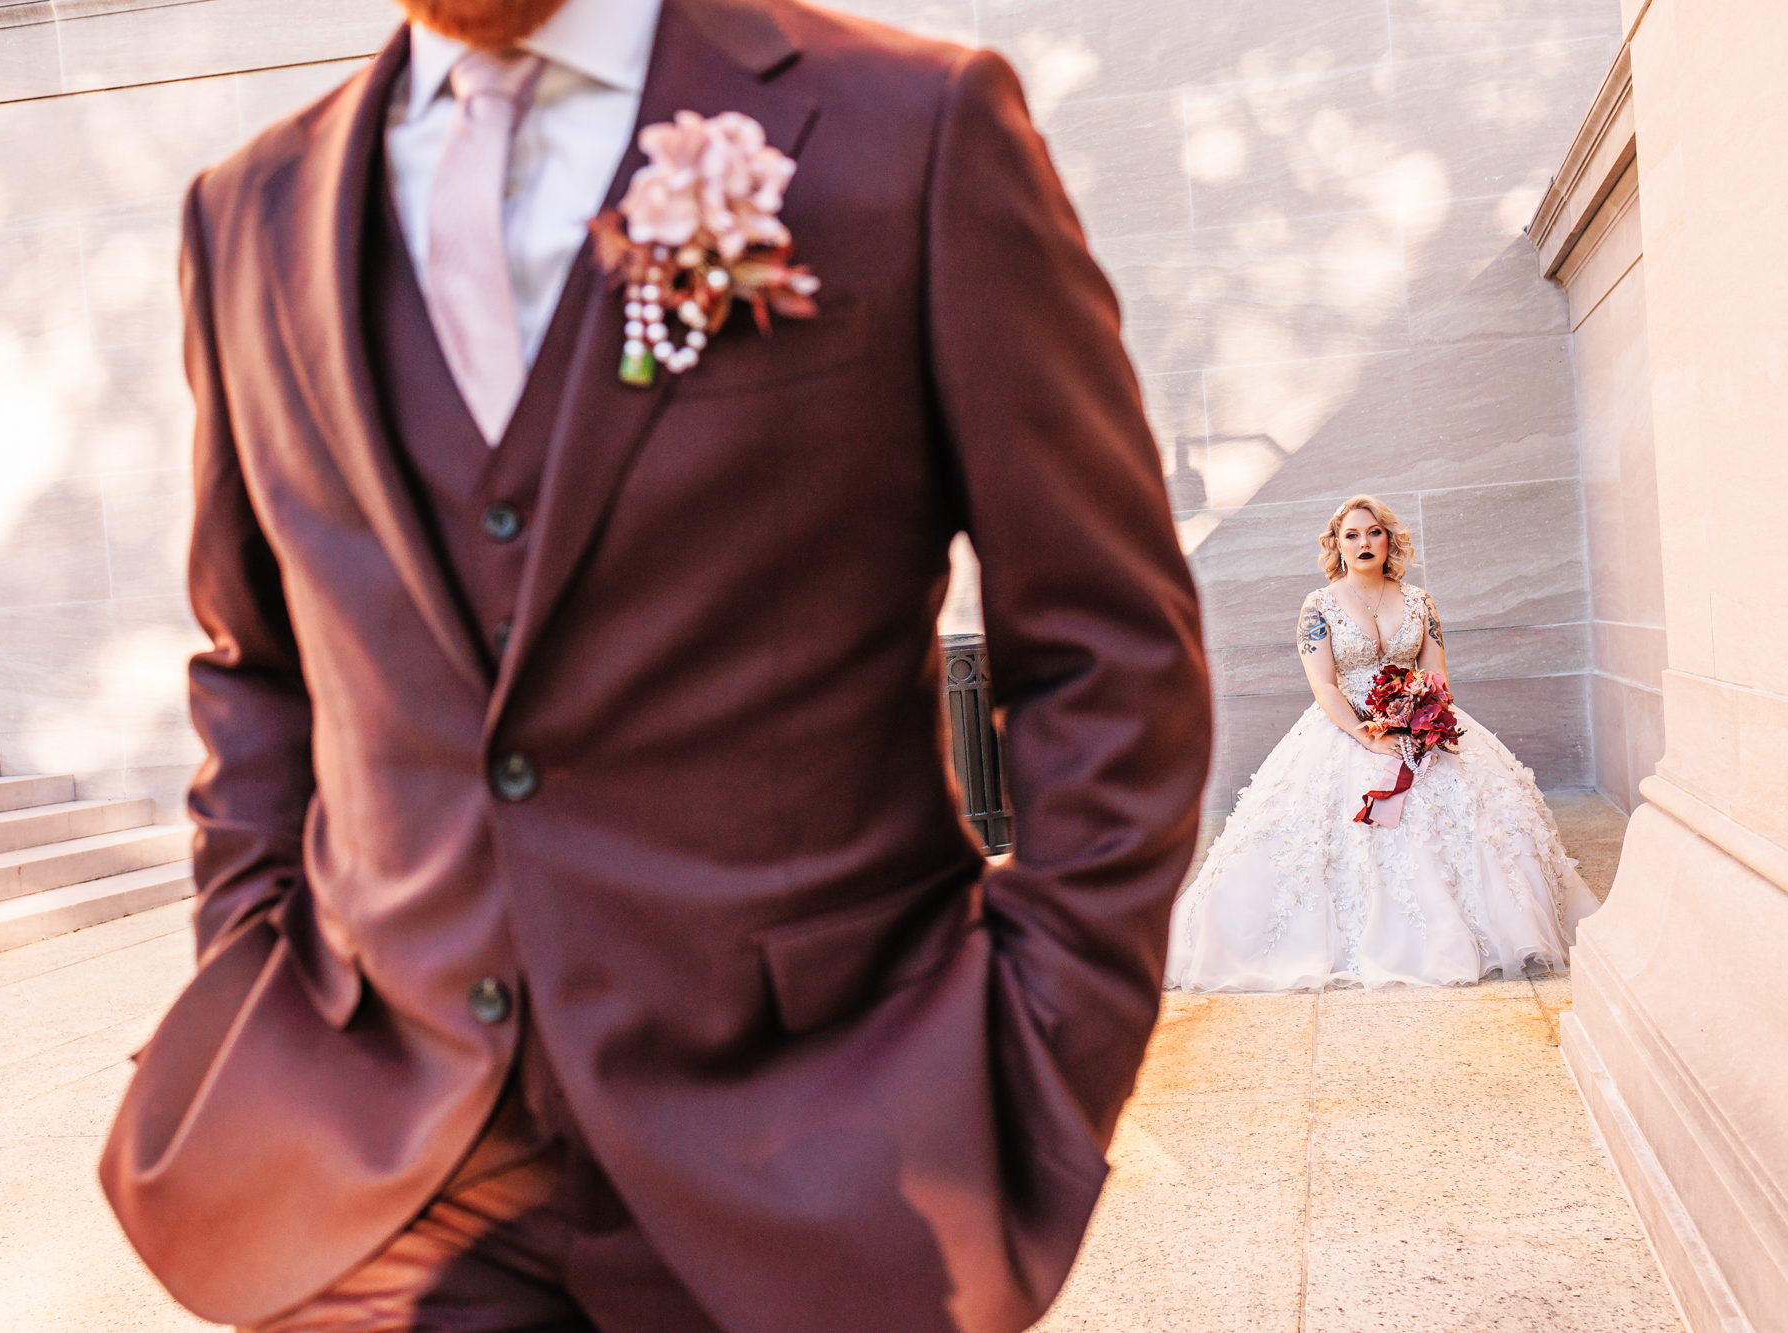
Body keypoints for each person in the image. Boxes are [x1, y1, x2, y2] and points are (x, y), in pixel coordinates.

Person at [97, 0, 1213, 1329]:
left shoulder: (911, 128)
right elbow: (258, 665)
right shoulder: (248, 214)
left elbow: (1107, 642)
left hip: (817, 1156)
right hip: (380, 1175)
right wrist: (254, 958)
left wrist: (1039, 1050)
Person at [1165, 495, 1597, 993]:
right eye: (1351, 535)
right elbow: (1324, 685)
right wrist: (1365, 737)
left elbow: (1435, 670)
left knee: (1483, 819)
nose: (1363, 542)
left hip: (1419, 723)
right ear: (1337, 546)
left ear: (1388, 539)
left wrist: (1424, 717)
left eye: (1373, 532)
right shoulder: (1319, 605)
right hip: (1345, 727)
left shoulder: (1419, 600)